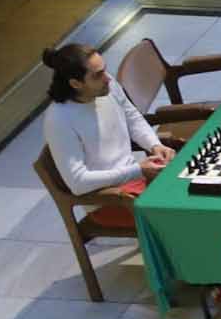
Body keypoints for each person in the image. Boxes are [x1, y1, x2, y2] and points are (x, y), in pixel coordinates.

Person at [41, 41, 172, 206]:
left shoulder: (107, 86)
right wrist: (137, 170)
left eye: (104, 70)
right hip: (110, 198)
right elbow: (78, 183)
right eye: (97, 75)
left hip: (136, 180)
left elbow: (133, 119)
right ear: (75, 83)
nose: (107, 78)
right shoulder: (59, 119)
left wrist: (154, 145)